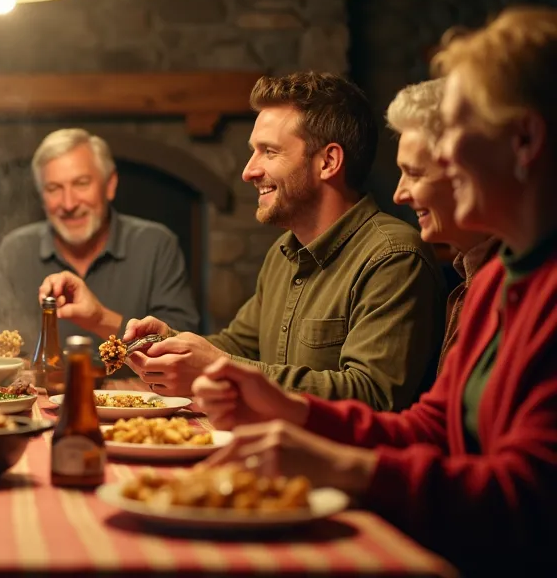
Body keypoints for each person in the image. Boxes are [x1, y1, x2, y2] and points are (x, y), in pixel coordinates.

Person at [190, 7, 557, 574]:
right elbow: (431, 429)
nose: (442, 155)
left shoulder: (433, 264)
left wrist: (343, 466)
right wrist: (290, 408)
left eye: (458, 130)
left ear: (526, 138)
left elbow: (530, 500)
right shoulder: (494, 281)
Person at [120, 72, 444, 410]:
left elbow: (373, 395)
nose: (249, 171)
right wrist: (167, 344)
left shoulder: (393, 256)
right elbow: (239, 348)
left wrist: (216, 365)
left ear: (328, 162)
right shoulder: (285, 251)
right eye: (252, 152)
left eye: (269, 152)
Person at [0, 128, 199, 365]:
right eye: (54, 188)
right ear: (41, 196)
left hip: (137, 396)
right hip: (38, 394)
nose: (68, 203)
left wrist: (100, 318)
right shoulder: (15, 249)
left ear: (110, 185)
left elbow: (182, 342)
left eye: (81, 183)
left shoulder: (156, 244)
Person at [388, 78, 500, 374]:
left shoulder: (519, 285)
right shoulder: (472, 278)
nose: (398, 195)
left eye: (414, 173)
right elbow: (440, 416)